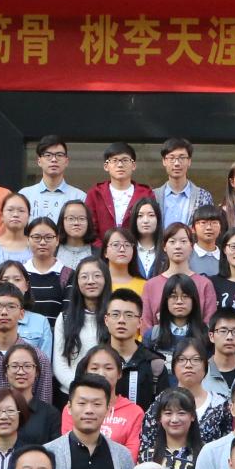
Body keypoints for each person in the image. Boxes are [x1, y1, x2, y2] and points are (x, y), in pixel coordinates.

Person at [141, 223, 219, 331]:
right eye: (172, 242)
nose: (178, 246)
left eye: (183, 241)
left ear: (191, 246)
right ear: (164, 246)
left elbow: (210, 324)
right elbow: (146, 325)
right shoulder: (151, 285)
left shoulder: (204, 284)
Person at [52, 260, 107, 400]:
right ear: (77, 282)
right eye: (84, 277)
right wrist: (81, 387)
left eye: (97, 276)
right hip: (70, 394)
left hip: (106, 394)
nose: (91, 281)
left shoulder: (114, 317)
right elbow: (60, 363)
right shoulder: (64, 318)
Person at [86, 141, 155, 245]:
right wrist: (105, 250)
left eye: (125, 160)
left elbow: (151, 229)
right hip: (102, 252)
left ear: (133, 165)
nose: (120, 165)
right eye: (114, 160)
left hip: (137, 252)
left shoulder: (146, 194)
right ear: (106, 166)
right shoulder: (95, 194)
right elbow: (90, 230)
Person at [21, 135, 86, 224]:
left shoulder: (79, 197)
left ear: (66, 161)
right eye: (48, 155)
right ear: (39, 161)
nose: (54, 159)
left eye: (59, 155)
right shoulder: (25, 195)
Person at [153, 137, 211, 228]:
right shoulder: (153, 196)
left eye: (182, 158)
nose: (177, 163)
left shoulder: (203, 196)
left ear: (189, 161)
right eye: (171, 158)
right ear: (164, 161)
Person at [0, 193, 36, 268]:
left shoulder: (36, 246)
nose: (15, 214)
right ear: (2, 215)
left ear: (29, 216)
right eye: (10, 210)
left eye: (21, 211)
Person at [187, 203, 228, 276]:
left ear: (221, 228)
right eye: (203, 223)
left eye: (214, 223)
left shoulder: (227, 257)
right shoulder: (186, 256)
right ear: (193, 228)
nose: (209, 227)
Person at [57, 199, 97, 270]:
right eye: (71, 218)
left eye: (81, 218)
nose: (76, 223)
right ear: (62, 221)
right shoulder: (52, 252)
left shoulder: (99, 255)